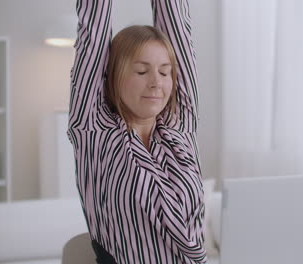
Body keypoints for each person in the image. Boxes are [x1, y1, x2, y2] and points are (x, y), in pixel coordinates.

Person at [67, 0, 207, 263]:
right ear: (114, 75)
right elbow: (92, 37)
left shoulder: (181, 126)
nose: (156, 82)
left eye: (165, 72)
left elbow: (179, 30)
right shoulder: (94, 130)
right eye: (142, 71)